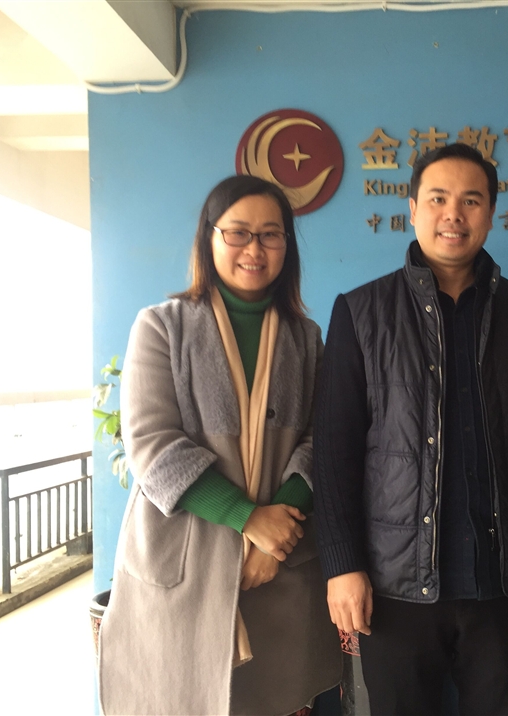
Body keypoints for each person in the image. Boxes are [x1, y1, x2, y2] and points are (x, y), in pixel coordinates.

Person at [313, 143, 508, 715]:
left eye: (470, 201)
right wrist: (342, 564)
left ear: (491, 213)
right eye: (437, 199)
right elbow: (334, 454)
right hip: (393, 587)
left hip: (503, 581)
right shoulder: (360, 312)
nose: (453, 215)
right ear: (413, 209)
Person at [98, 175, 342, 715]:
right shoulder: (161, 328)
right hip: (185, 561)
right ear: (209, 238)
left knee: (279, 699)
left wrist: (274, 533)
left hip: (277, 565)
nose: (255, 248)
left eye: (271, 234)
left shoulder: (305, 338)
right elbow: (151, 444)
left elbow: (321, 439)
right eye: (238, 232)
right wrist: (245, 518)